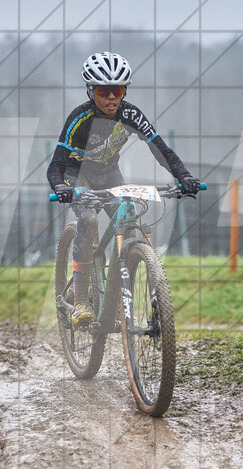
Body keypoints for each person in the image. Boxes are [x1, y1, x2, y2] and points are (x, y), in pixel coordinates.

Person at [47, 51, 201, 326]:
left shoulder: (130, 114)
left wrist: (184, 176)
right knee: (89, 220)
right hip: (77, 175)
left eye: (117, 91)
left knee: (132, 219)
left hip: (109, 175)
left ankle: (138, 296)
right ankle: (81, 301)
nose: (111, 98)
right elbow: (55, 165)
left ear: (124, 91)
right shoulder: (79, 119)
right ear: (91, 91)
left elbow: (160, 149)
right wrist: (60, 187)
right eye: (104, 92)